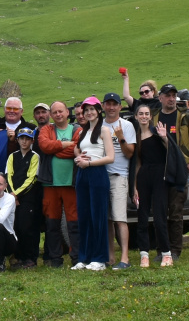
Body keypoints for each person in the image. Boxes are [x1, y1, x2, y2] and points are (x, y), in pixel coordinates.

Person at [152, 84, 189, 263]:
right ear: (160, 98)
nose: (171, 98)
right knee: (159, 213)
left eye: (173, 95)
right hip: (158, 171)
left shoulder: (185, 118)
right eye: (167, 95)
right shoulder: (154, 117)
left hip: (178, 171)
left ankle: (175, 251)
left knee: (176, 212)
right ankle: (161, 250)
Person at [129, 103, 174, 267]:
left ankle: (166, 254)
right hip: (143, 176)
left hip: (160, 175)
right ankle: (144, 254)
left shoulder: (157, 133)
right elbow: (137, 163)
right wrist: (134, 187)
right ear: (136, 117)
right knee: (142, 216)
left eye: (147, 113)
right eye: (140, 114)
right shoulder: (136, 137)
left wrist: (164, 137)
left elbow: (172, 153)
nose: (144, 116)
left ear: (150, 116)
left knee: (160, 216)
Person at [71, 97, 113, 271]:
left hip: (97, 173)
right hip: (83, 175)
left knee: (98, 217)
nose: (89, 113)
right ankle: (84, 257)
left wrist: (89, 163)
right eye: (86, 110)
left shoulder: (104, 130)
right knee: (85, 217)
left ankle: (100, 258)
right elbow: (78, 150)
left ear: (99, 110)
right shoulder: (82, 131)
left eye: (92, 109)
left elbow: (110, 157)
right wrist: (78, 158)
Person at [37, 102, 78, 266]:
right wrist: (64, 145)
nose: (58, 114)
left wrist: (56, 149)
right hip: (50, 184)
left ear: (67, 112)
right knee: (52, 223)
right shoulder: (46, 129)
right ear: (51, 115)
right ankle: (55, 258)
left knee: (73, 222)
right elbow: (44, 146)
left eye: (61, 111)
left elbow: (77, 148)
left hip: (70, 183)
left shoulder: (76, 130)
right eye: (54, 112)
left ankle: (77, 257)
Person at [100, 93, 138, 268]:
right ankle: (110, 257)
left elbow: (130, 153)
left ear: (120, 106)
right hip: (101, 176)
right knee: (107, 219)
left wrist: (120, 136)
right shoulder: (98, 126)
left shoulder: (127, 125)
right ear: (103, 106)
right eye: (108, 104)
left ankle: (125, 258)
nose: (111, 107)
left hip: (119, 176)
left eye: (114, 104)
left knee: (119, 218)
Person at [6, 128, 44, 267]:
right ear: (17, 140)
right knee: (16, 226)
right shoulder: (12, 156)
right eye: (21, 138)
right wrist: (11, 194)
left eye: (27, 139)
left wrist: (17, 194)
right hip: (12, 197)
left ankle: (31, 257)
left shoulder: (35, 156)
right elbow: (8, 176)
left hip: (29, 197)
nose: (24, 141)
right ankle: (18, 257)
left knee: (28, 227)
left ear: (32, 141)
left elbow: (32, 178)